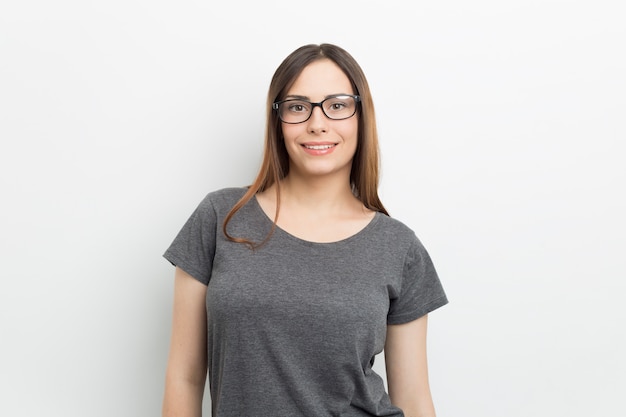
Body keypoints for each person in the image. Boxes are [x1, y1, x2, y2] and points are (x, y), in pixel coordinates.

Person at [162, 43, 448, 417]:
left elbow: (413, 398)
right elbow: (183, 377)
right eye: (298, 107)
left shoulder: (399, 246)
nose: (317, 123)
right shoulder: (221, 217)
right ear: (277, 122)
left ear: (361, 117)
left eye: (338, 105)